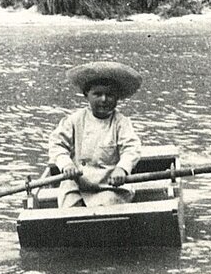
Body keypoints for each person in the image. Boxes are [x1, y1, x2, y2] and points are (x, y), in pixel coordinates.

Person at [47, 61, 143, 208]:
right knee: (70, 209)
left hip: (110, 185)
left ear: (117, 97)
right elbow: (57, 143)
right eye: (97, 94)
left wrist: (122, 169)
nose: (104, 99)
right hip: (76, 185)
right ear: (87, 95)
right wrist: (66, 164)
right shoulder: (75, 120)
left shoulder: (121, 123)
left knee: (105, 208)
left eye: (109, 95)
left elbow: (131, 148)